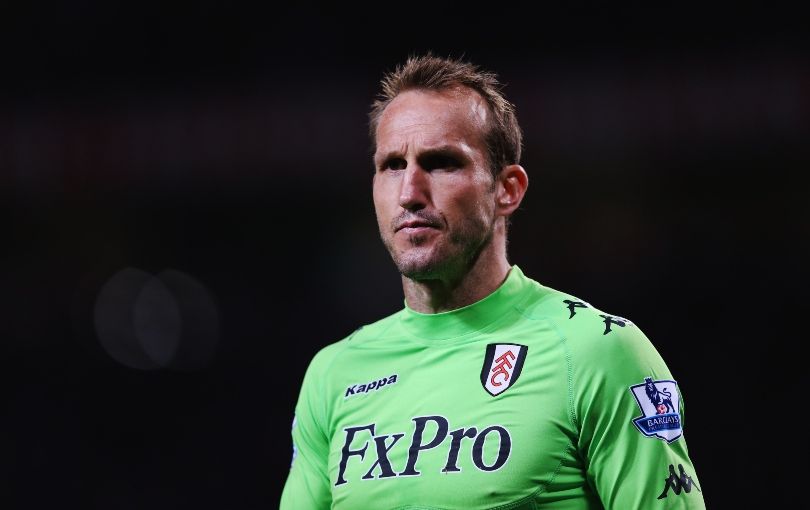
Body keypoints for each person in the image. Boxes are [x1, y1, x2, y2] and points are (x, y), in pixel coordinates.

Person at [280, 53, 705, 509]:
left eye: (441, 163)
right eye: (392, 166)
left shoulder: (594, 352)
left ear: (508, 189)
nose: (410, 193)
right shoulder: (335, 372)